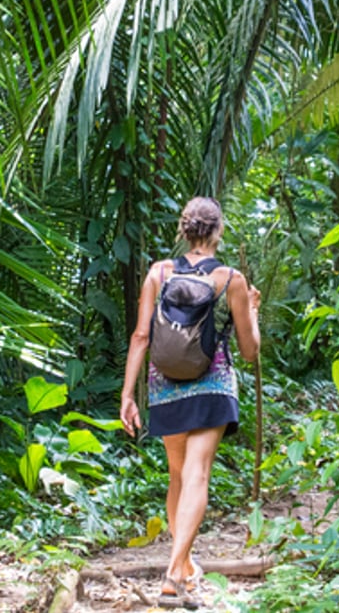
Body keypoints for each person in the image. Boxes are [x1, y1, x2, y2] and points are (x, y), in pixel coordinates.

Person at [120, 196, 262, 609]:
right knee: (197, 474)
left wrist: (128, 395)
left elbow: (141, 337)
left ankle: (180, 566)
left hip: (165, 385)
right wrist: (252, 311)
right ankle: (174, 572)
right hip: (212, 385)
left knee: (179, 476)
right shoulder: (230, 279)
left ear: (184, 230)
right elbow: (249, 350)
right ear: (218, 231)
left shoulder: (158, 273)